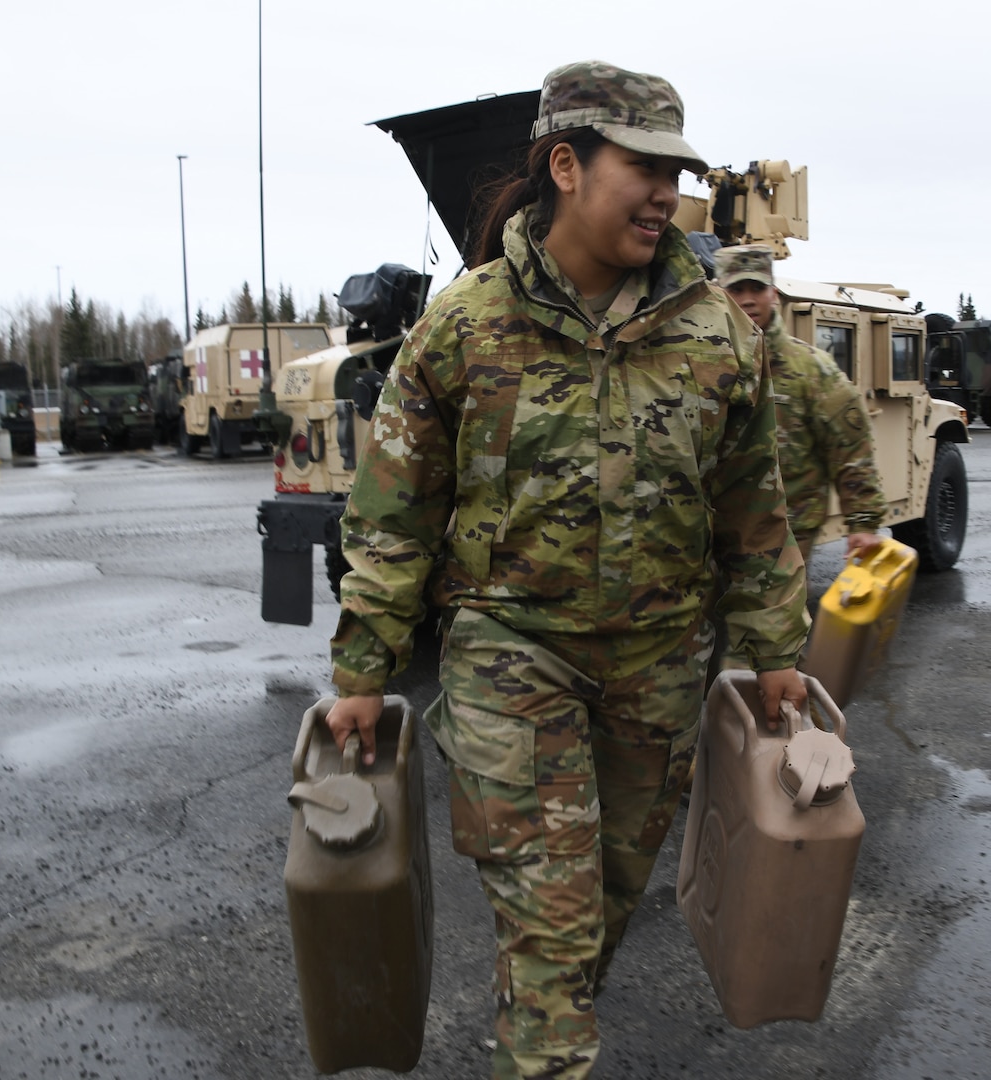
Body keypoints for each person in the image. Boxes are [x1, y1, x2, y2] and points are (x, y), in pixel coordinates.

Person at [324, 60, 811, 1080]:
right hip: (509, 659)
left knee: (597, 917)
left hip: (658, 670)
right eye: (642, 168)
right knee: (551, 924)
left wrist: (774, 654)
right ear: (565, 165)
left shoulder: (716, 330)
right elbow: (394, 511)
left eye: (675, 173)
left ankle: (538, 1034)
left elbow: (752, 508)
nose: (665, 195)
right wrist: (362, 671)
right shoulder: (463, 324)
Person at [713, 244, 888, 572]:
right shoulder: (697, 367)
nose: (748, 299)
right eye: (736, 289)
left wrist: (863, 524)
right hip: (708, 533)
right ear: (718, 296)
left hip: (784, 535)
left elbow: (851, 448)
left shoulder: (812, 369)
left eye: (757, 288)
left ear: (774, 294)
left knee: (769, 623)